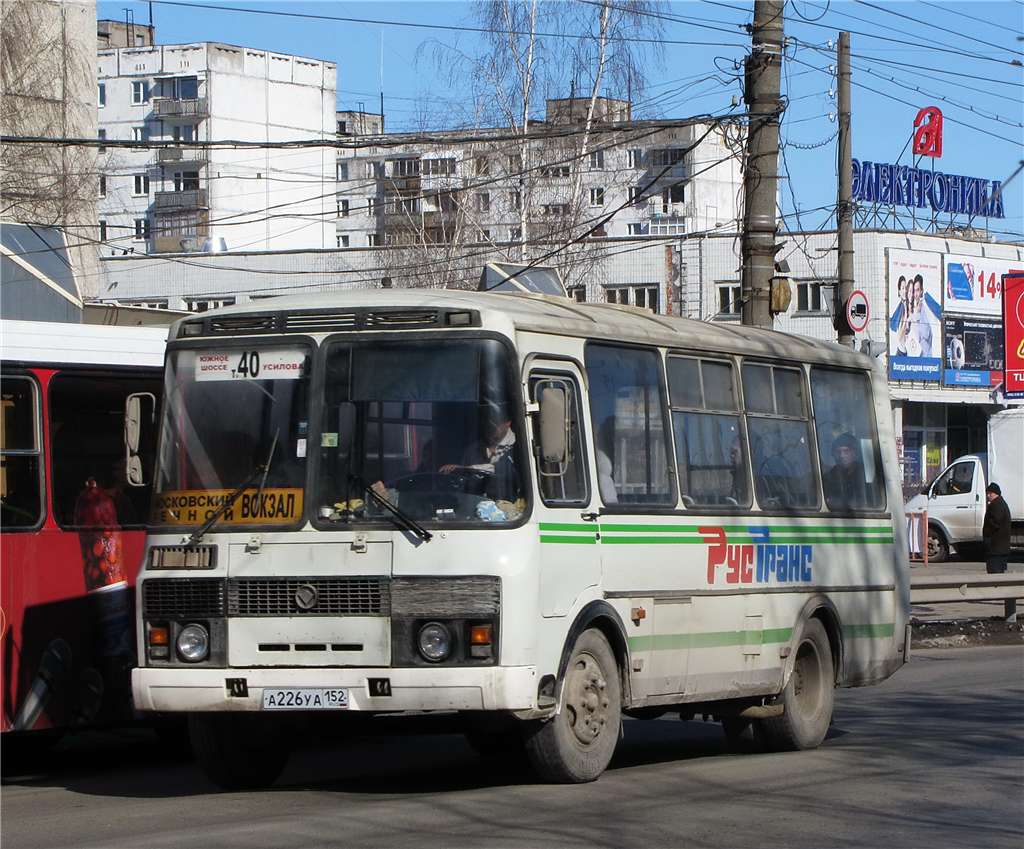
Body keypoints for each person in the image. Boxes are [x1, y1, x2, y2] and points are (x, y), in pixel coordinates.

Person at [823, 432, 866, 509]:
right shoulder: (829, 476)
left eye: (846, 451)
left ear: (855, 453)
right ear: (833, 455)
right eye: (838, 452)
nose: (842, 456)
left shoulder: (865, 474)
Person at [983, 482, 1012, 574]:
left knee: (994, 573)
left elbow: (995, 522)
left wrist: (987, 533)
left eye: (989, 493)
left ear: (993, 493)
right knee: (998, 573)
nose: (987, 496)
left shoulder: (996, 505)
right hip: (1000, 547)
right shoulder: (1001, 503)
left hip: (996, 548)